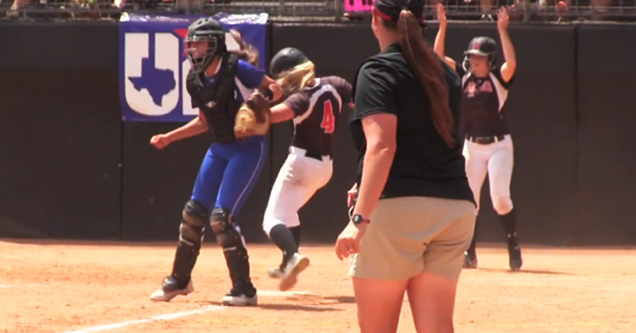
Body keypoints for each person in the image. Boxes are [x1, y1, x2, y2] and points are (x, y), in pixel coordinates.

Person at [334, 0, 476, 331]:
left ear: (374, 19)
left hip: (397, 212)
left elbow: (382, 146)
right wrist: (362, 182)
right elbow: (434, 141)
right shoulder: (445, 72)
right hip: (453, 209)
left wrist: (359, 219)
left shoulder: (378, 70)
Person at [148, 17, 282, 306]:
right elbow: (203, 122)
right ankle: (180, 281)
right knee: (193, 213)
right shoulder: (195, 80)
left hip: (248, 148)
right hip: (220, 147)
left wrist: (259, 100)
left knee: (221, 219)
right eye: (191, 45)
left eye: (197, 43)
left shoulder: (236, 68)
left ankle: (244, 290)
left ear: (214, 44)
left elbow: (276, 89)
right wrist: (169, 137)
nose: (193, 49)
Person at [434, 4, 522, 271]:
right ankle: (469, 252)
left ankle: (513, 244)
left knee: (500, 199)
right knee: (469, 201)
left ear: (490, 61)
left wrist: (502, 31)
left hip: (499, 145)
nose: (475, 61)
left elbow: (512, 63)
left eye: (480, 58)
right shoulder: (464, 78)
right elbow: (438, 58)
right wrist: (443, 27)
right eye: (472, 57)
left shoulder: (498, 79)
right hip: (472, 145)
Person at [260, 47, 352, 291]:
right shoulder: (336, 84)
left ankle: (292, 255)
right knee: (289, 213)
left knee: (271, 219)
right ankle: (286, 263)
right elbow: (360, 104)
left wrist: (255, 112)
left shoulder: (301, 97)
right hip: (325, 167)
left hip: (300, 163)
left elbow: (278, 115)